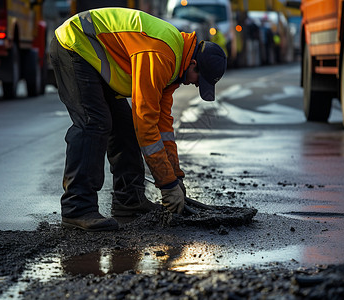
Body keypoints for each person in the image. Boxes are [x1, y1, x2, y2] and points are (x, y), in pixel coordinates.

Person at [49, 7, 227, 232]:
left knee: (124, 128)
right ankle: (77, 208)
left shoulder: (174, 66)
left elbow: (163, 128)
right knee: (94, 123)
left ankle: (129, 201)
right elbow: (145, 123)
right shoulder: (162, 54)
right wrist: (167, 185)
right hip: (75, 45)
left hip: (94, 54)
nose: (194, 84)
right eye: (198, 80)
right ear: (193, 65)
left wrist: (175, 178)